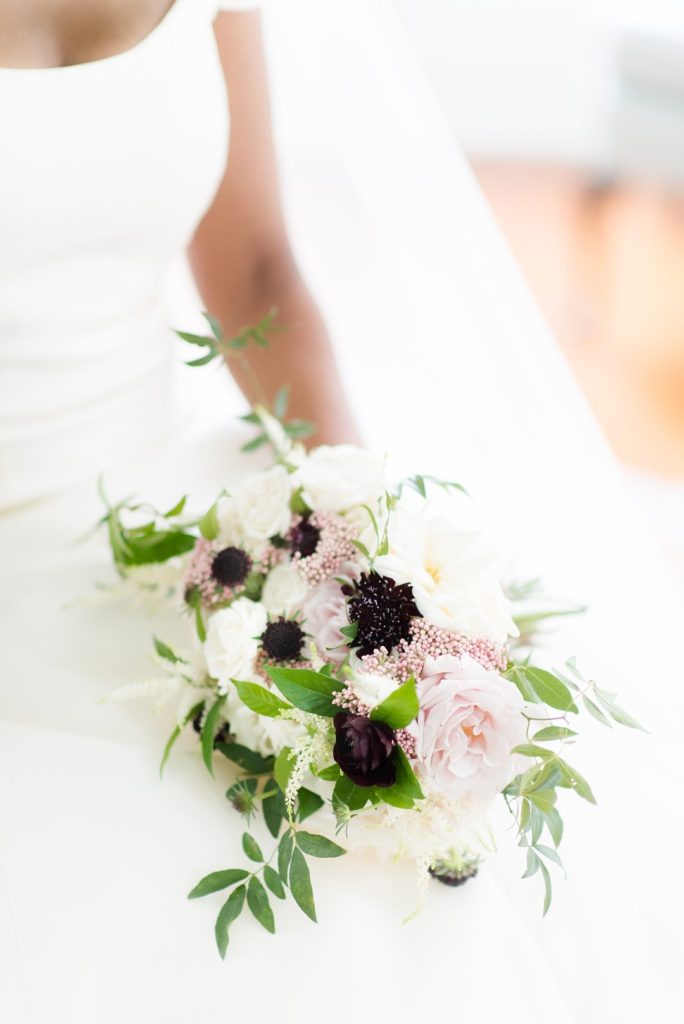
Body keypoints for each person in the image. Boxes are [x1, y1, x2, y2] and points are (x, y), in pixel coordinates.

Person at [1, 2, 682, 1022]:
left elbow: (258, 270)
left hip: (185, 493)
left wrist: (358, 534)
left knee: (492, 848)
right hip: (20, 578)